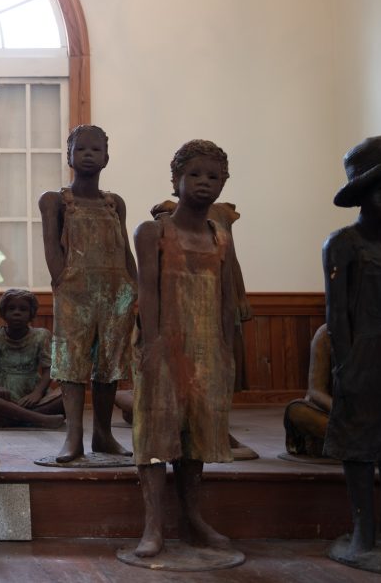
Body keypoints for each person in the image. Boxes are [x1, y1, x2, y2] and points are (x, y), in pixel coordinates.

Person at [132, 140, 239, 558]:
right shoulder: (153, 231)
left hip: (208, 349)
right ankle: (153, 526)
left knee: (196, 439)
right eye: (194, 174)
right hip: (163, 346)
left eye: (213, 176)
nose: (203, 183)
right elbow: (147, 293)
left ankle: (193, 519)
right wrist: (154, 346)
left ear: (224, 183)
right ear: (175, 180)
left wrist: (227, 350)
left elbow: (228, 298)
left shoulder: (221, 235)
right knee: (155, 436)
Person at [323, 135, 381, 561]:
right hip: (365, 357)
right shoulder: (343, 244)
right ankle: (364, 526)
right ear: (362, 193)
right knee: (360, 442)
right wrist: (346, 364)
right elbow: (336, 314)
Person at [39, 124, 136, 462]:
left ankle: (104, 435)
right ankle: (73, 439)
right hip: (74, 291)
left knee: (108, 365)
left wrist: (134, 290)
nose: (89, 155)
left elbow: (125, 249)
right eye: (81, 149)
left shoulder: (115, 204)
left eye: (96, 150)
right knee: (71, 363)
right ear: (69, 156)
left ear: (107, 158)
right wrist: (62, 279)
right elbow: (52, 247)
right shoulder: (55, 201)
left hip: (116, 293)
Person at [0, 288, 63, 428]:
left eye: (23, 309)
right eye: (11, 308)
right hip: (2, 396)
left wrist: (37, 393)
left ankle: (10, 418)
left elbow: (49, 369)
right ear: (3, 312)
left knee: (66, 394)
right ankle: (38, 418)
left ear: (31, 313)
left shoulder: (41, 336)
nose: (16, 312)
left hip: (32, 394)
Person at [283, 324, 331, 458]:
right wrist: (341, 411)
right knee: (297, 411)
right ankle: (363, 443)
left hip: (368, 417)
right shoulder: (325, 334)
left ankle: (352, 442)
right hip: (334, 414)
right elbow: (316, 391)